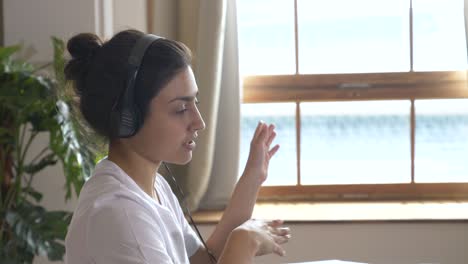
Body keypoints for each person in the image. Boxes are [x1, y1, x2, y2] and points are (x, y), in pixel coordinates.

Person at [64, 29, 291, 264]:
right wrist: (245, 242)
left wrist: (252, 178)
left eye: (195, 102)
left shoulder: (154, 188)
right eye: (181, 109)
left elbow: (206, 260)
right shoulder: (120, 215)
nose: (199, 122)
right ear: (127, 118)